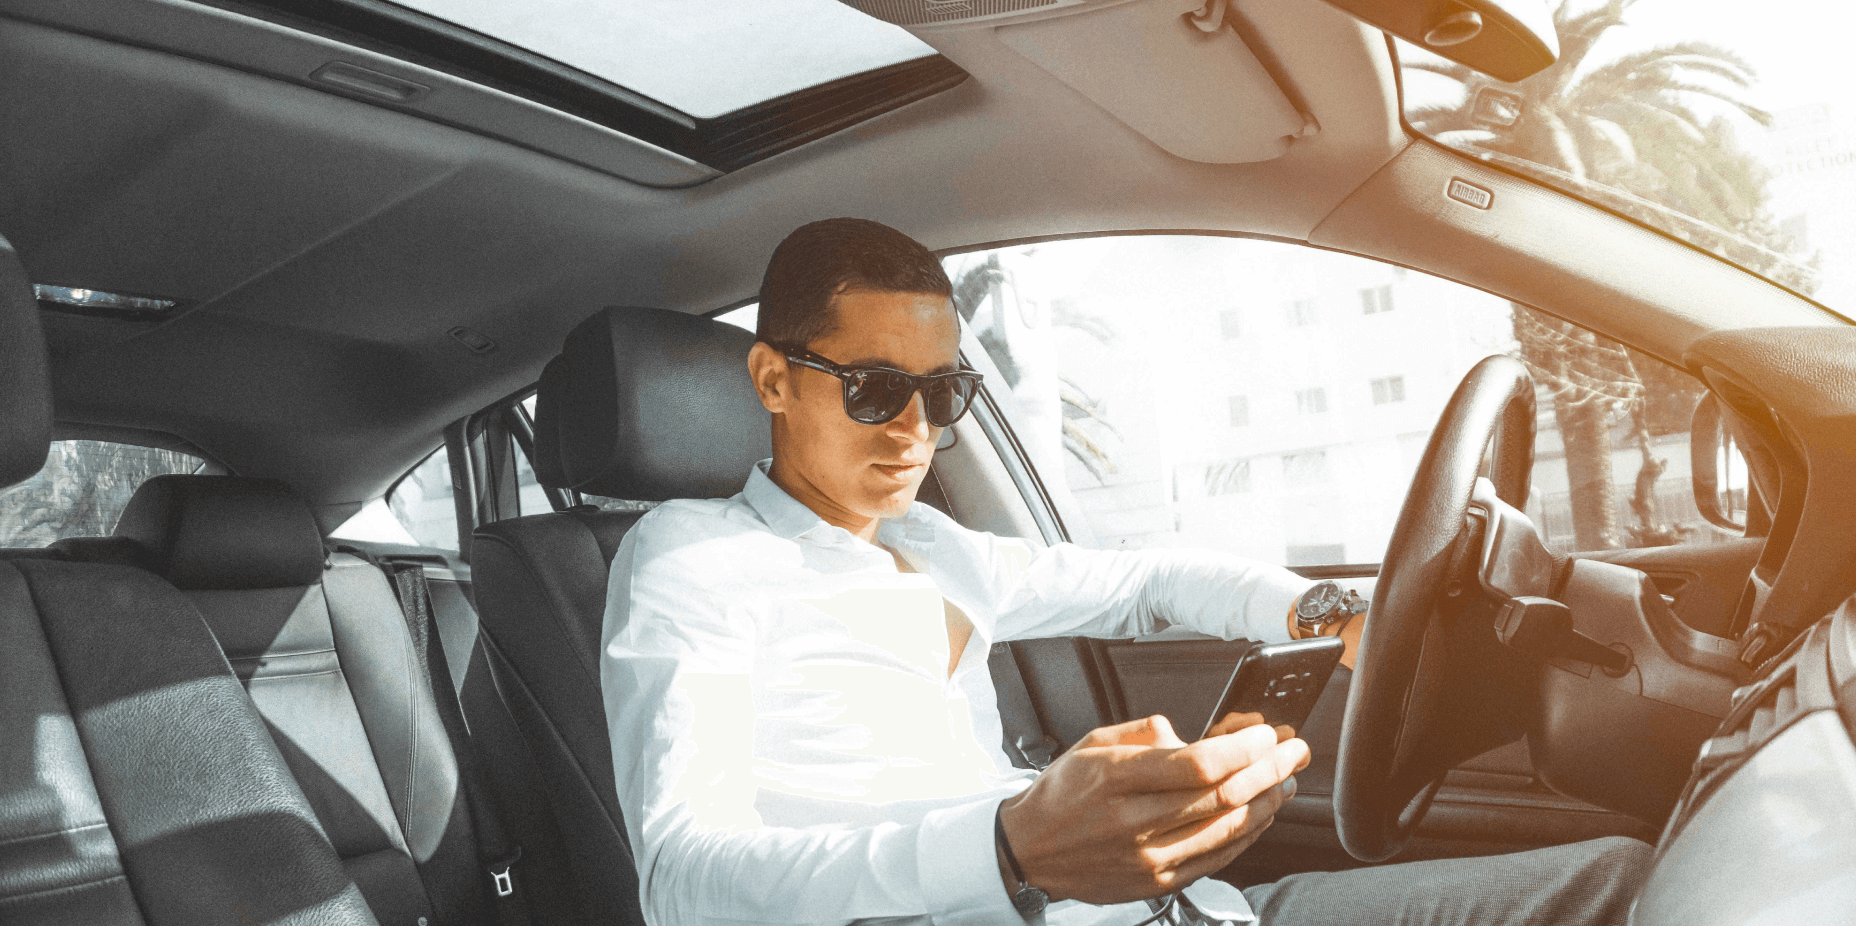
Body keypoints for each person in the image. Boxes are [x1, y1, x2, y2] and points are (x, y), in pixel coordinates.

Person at [601, 219, 1651, 926]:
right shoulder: (692, 560)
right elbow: (680, 879)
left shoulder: (938, 548)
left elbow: (1147, 584)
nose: (919, 433)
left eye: (945, 391)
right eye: (877, 390)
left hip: (1182, 913)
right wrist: (1013, 850)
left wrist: (1331, 612)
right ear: (773, 379)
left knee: (1617, 881)